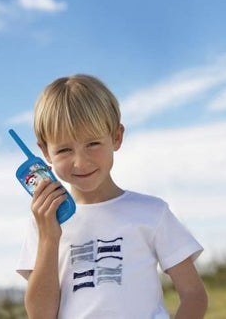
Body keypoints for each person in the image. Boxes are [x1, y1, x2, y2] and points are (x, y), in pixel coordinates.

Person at [16, 74, 208, 319]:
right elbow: (40, 315)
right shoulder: (43, 223)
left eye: (93, 144)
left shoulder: (152, 212)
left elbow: (194, 294)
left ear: (116, 137)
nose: (80, 162)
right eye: (64, 149)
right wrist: (48, 238)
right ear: (45, 152)